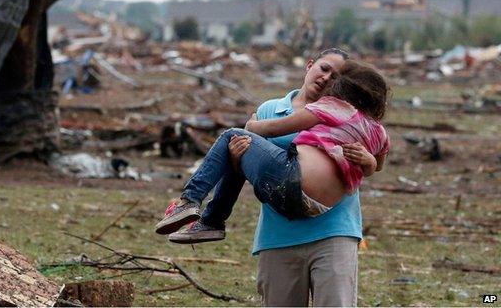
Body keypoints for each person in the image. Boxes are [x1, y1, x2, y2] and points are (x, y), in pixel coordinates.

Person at [158, 49, 379, 306]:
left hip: (333, 233)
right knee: (235, 142)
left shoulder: (348, 114)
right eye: (324, 68)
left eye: (336, 76)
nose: (327, 78)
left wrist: (370, 160)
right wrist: (236, 158)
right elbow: (256, 167)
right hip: (279, 235)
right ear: (309, 66)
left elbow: (375, 158)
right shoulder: (270, 109)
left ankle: (200, 211)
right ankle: (208, 219)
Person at [155, 58, 389, 236]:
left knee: (233, 137)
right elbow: (377, 165)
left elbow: (274, 129)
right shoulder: (379, 131)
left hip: (292, 182)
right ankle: (211, 222)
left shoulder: (331, 106)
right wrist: (368, 161)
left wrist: (251, 125)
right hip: (318, 207)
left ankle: (191, 202)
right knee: (241, 146)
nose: (329, 81)